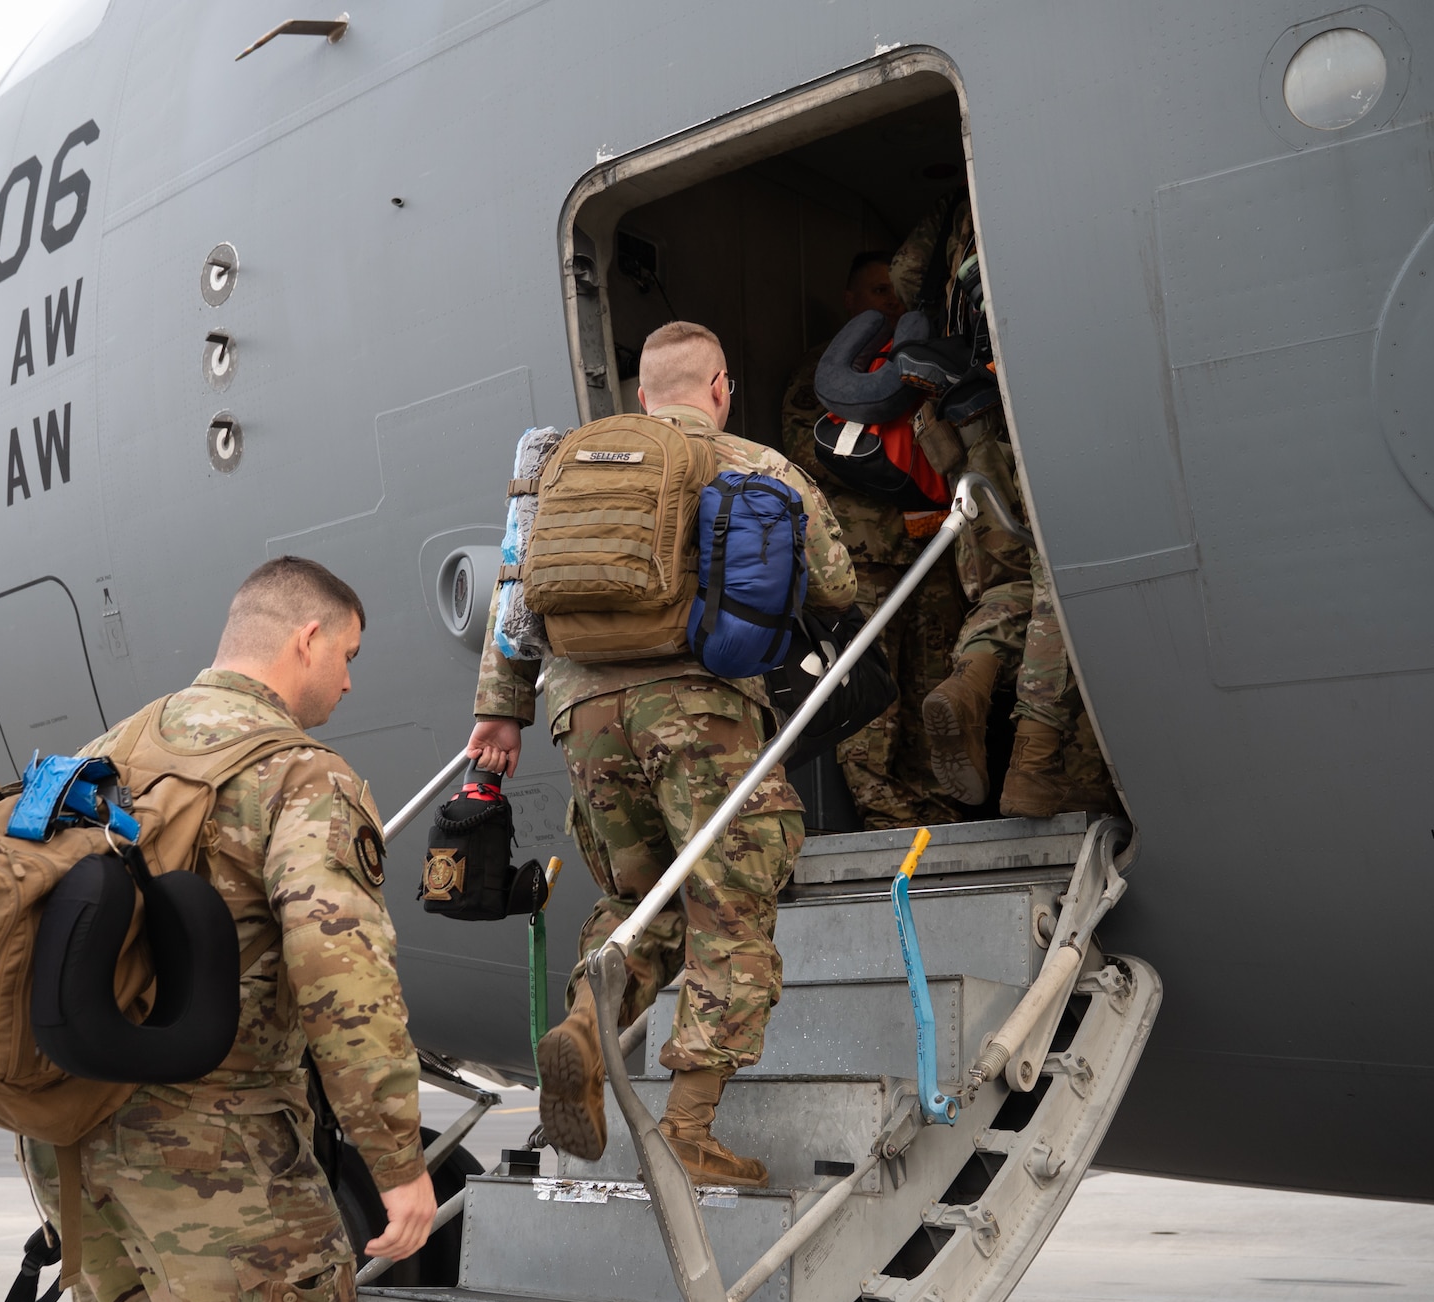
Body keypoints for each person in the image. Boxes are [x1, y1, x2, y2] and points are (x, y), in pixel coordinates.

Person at [467, 322, 856, 1188]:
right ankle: (689, 1133)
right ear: (719, 387)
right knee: (730, 909)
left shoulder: (565, 466)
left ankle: (582, 1032)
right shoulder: (752, 461)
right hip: (700, 712)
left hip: (582, 711)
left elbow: (513, 583)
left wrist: (501, 709)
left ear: (642, 395)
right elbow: (834, 582)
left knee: (637, 901)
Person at [25, 556, 433, 1302]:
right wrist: (397, 1161)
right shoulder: (301, 775)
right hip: (218, 1162)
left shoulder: (106, 754)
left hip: (74, 1149)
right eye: (348, 657)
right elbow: (342, 980)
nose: (348, 684)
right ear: (307, 640)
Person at [891, 197, 1116, 816]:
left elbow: (906, 274)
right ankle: (1034, 764)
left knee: (1009, 582)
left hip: (963, 422)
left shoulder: (953, 221)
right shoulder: (1037, 205)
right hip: (1037, 410)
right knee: (1058, 574)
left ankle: (970, 681)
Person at [779, 251, 969, 829]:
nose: (890, 301)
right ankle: (883, 811)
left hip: (931, 551)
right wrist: (897, 469)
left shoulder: (920, 364)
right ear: (851, 302)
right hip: (864, 557)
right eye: (877, 291)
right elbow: (806, 447)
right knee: (872, 680)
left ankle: (932, 803)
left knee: (931, 679)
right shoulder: (827, 372)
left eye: (895, 292)